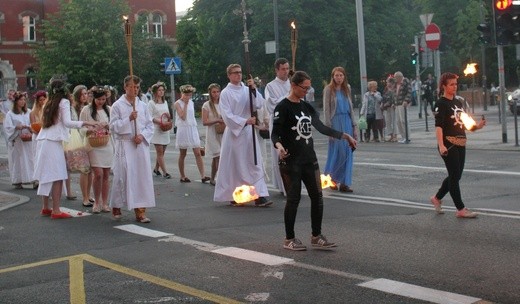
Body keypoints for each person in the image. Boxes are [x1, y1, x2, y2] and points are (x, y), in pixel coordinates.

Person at [271, 71, 357, 250]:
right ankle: (289, 238)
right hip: (291, 160)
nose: (307, 91)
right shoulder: (283, 107)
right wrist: (279, 147)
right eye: (304, 88)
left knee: (317, 197)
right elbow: (275, 134)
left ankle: (316, 235)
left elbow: (322, 127)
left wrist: (344, 136)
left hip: (309, 158)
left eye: (308, 88)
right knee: (293, 199)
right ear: (293, 86)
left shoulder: (307, 107)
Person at [33, 79, 98, 219]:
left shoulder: (48, 102)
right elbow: (67, 122)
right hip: (53, 141)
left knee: (46, 174)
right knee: (58, 175)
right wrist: (85, 122)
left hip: (43, 140)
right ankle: (56, 210)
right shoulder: (64, 102)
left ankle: (45, 207)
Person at [214, 64, 273, 207]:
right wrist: (245, 121)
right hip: (235, 134)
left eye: (240, 72)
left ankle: (260, 196)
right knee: (235, 166)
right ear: (229, 75)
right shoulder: (226, 93)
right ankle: (234, 194)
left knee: (254, 163)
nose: (238, 75)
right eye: (235, 73)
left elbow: (259, 104)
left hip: (249, 133)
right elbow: (227, 116)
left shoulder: (247, 89)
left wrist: (254, 90)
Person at [431, 72, 486, 218]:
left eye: (456, 84)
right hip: (448, 143)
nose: (454, 87)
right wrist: (441, 145)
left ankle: (436, 198)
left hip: (461, 142)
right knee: (454, 177)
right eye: (451, 84)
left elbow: (465, 122)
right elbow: (439, 127)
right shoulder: (441, 103)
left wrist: (478, 126)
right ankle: (460, 209)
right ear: (444, 86)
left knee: (456, 176)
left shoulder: (457, 103)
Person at [109, 75, 155, 223]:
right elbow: (113, 126)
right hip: (125, 144)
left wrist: (142, 136)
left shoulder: (143, 105)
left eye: (137, 87)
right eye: (131, 87)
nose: (134, 90)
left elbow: (149, 125)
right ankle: (117, 204)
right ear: (125, 87)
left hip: (139, 146)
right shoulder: (117, 105)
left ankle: (140, 211)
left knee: (141, 178)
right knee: (122, 177)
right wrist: (128, 119)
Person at [322, 67, 357, 193]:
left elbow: (351, 108)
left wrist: (354, 126)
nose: (339, 78)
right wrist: (328, 129)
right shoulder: (328, 89)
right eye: (336, 75)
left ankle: (344, 183)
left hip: (346, 120)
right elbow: (326, 109)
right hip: (335, 123)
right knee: (337, 153)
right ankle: (332, 179)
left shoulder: (347, 88)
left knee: (347, 152)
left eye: (341, 75)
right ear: (333, 76)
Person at [79, 88, 113, 214]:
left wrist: (107, 127)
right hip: (93, 144)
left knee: (106, 174)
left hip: (106, 143)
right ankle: (97, 201)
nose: (101, 102)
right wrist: (90, 130)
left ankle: (105, 202)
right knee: (97, 174)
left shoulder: (109, 109)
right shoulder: (86, 110)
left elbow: (113, 126)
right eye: (99, 99)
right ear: (93, 98)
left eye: (103, 99)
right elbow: (81, 128)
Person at [264, 58, 291, 195]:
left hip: (291, 123)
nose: (286, 72)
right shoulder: (270, 86)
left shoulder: (293, 84)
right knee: (280, 154)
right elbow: (271, 105)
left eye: (287, 68)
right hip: (278, 123)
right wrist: (288, 96)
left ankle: (294, 184)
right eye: (283, 69)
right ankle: (283, 186)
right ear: (277, 70)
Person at [174, 84, 210, 183]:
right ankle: (182, 176)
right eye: (187, 95)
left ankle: (203, 176)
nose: (188, 97)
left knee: (198, 153)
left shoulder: (192, 102)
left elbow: (192, 117)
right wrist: (185, 104)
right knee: (183, 153)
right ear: (182, 94)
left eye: (190, 95)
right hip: (183, 129)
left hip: (192, 128)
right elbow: (183, 117)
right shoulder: (177, 103)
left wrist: (196, 131)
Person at [4, 91, 36, 189]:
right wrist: (17, 127)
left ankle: (33, 179)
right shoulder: (10, 114)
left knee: (31, 159)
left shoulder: (29, 112)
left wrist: (30, 128)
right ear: (16, 101)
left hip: (28, 139)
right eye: (21, 100)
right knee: (18, 160)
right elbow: (8, 128)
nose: (23, 102)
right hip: (17, 140)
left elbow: (34, 122)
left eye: (24, 100)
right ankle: (18, 180)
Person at [201, 83, 225, 186]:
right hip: (212, 133)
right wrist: (217, 120)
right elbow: (204, 122)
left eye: (217, 92)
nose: (216, 94)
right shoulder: (206, 105)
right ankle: (220, 179)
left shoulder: (223, 103)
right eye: (214, 92)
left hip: (222, 132)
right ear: (210, 93)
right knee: (218, 155)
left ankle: (212, 178)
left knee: (218, 157)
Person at [148, 81, 172, 179]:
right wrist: (160, 122)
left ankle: (156, 169)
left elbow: (167, 113)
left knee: (163, 151)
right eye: (159, 90)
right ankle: (165, 172)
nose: (161, 92)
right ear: (155, 92)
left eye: (162, 90)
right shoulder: (151, 103)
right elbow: (150, 117)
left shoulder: (165, 102)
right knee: (160, 152)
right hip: (157, 129)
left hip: (165, 129)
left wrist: (168, 119)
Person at [393, 71, 412, 143]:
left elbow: (409, 92)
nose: (395, 79)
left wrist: (406, 101)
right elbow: (395, 93)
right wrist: (394, 103)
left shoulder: (405, 81)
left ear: (399, 77)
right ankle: (403, 136)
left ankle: (407, 136)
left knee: (403, 120)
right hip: (397, 104)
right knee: (398, 121)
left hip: (403, 104)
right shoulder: (396, 83)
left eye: (395, 78)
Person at [382, 77, 397, 142]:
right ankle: (391, 135)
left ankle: (395, 136)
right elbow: (384, 97)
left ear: (391, 82)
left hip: (392, 107)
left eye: (387, 82)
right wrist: (383, 103)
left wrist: (393, 103)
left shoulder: (395, 89)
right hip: (387, 107)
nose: (387, 83)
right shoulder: (386, 89)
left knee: (394, 121)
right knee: (388, 122)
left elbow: (395, 98)